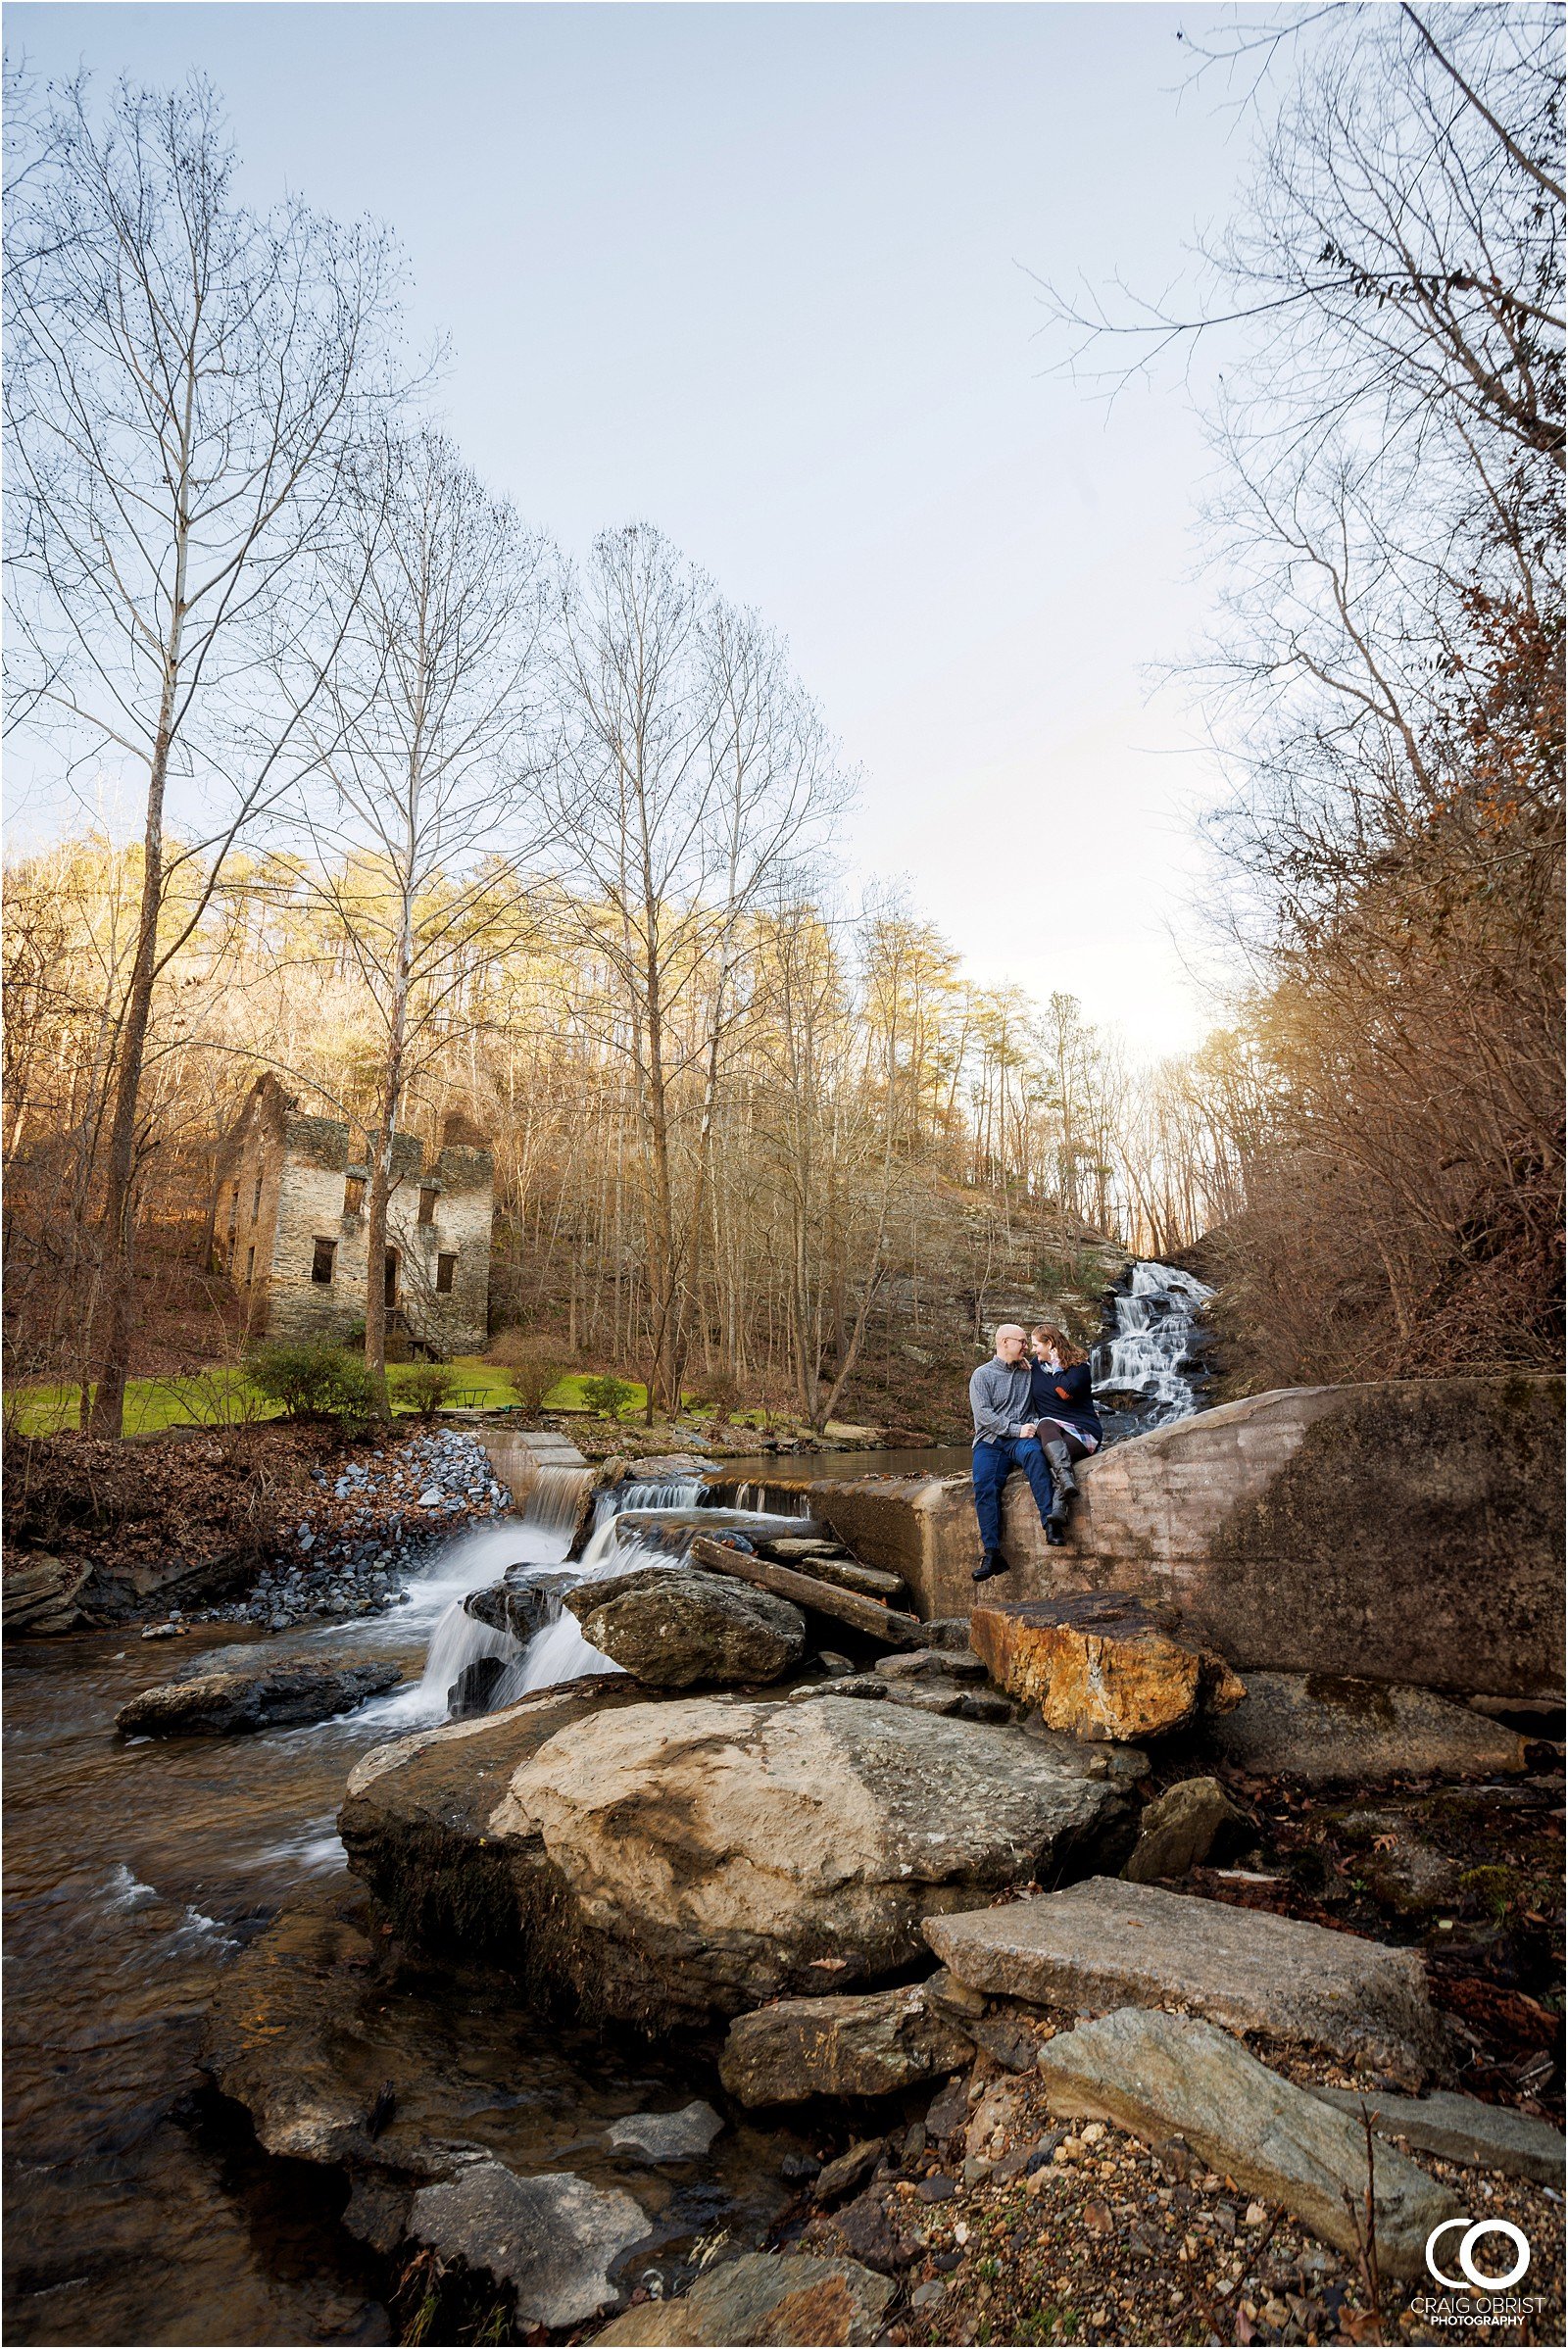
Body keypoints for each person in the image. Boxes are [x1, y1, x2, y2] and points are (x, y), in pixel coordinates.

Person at [967, 1323, 1057, 1583]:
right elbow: (983, 1415)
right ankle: (992, 1554)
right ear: (1005, 1342)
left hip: (1021, 1440)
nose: (1026, 1347)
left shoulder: (1029, 1371)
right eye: (1022, 1342)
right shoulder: (982, 1375)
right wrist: (1015, 1429)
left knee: (1035, 1456)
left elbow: (1059, 1364)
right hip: (991, 1441)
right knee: (984, 1485)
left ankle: (1050, 1523)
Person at [1028, 1323, 1102, 1543]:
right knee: (1045, 1423)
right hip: (1053, 1430)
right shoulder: (1033, 1367)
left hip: (1083, 1430)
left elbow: (1066, 1393)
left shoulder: (1078, 1365)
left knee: (1052, 1453)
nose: (1033, 1350)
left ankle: (1059, 1507)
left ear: (1049, 1343)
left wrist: (1057, 1365)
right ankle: (1066, 1484)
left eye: (1035, 1345)